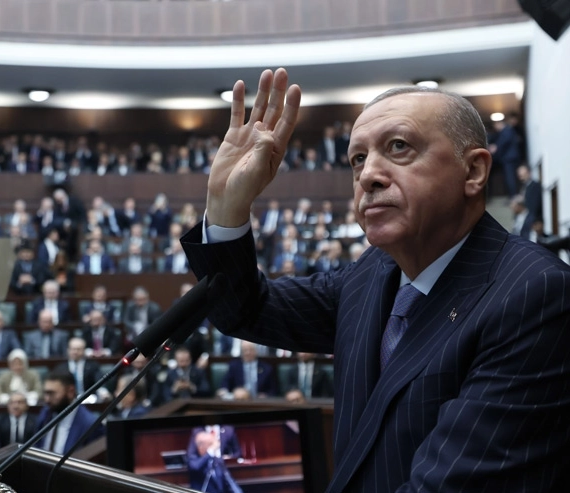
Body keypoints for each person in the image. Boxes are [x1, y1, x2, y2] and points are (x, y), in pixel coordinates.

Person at [180, 68, 570, 491]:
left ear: (473, 171)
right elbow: (247, 310)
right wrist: (226, 205)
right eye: (358, 159)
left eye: (399, 146)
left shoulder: (534, 295)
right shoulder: (373, 271)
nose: (368, 175)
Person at [35, 370, 104, 455]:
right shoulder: (46, 413)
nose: (47, 399)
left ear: (70, 392)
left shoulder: (90, 425)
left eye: (51, 393)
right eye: (45, 393)